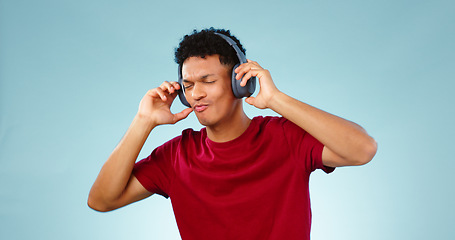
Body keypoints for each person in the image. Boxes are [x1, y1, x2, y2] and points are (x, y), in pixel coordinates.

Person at [88, 28, 377, 240]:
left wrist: (275, 99)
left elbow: (362, 149)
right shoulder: (177, 156)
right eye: (188, 85)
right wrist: (143, 121)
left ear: (241, 82)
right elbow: (101, 200)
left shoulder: (285, 138)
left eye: (208, 80)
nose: (196, 93)